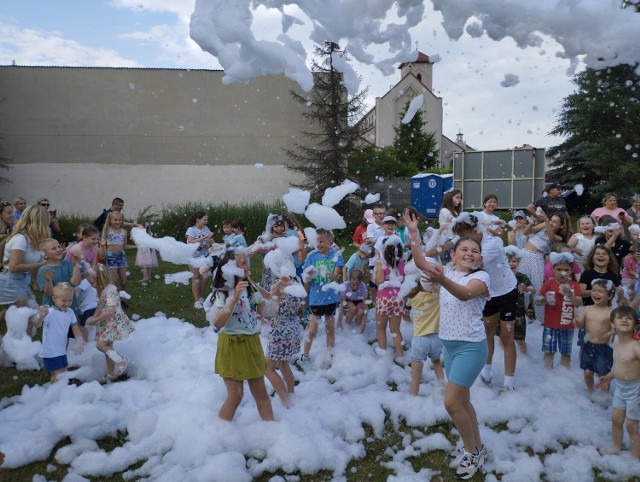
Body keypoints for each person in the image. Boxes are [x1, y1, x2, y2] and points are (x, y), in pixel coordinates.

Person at [405, 209, 489, 480]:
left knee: (452, 404)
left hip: (471, 348)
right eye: (463, 248)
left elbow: (465, 295)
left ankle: (471, 452)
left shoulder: (481, 279)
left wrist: (442, 279)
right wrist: (414, 232)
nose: (469, 253)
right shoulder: (448, 272)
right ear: (453, 255)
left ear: (480, 259)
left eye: (474, 250)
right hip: (449, 347)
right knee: (464, 402)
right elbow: (420, 261)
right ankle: (477, 447)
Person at [209, 250, 274, 421]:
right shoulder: (222, 293)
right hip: (232, 344)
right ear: (230, 269)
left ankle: (273, 432)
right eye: (242, 262)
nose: (247, 265)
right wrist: (235, 296)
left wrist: (278, 292)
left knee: (261, 393)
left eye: (247, 262)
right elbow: (217, 323)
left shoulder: (250, 287)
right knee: (236, 395)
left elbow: (267, 312)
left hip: (252, 342)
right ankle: (218, 435)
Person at [597, 306, 640, 459]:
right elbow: (620, 366)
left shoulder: (636, 347)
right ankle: (616, 446)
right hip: (621, 389)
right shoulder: (616, 343)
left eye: (629, 318)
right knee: (616, 420)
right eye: (620, 317)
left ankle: (636, 456)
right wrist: (609, 377)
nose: (624, 320)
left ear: (635, 326)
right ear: (613, 324)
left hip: (636, 390)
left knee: (631, 425)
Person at [300, 229, 344, 363]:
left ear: (330, 240)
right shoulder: (311, 256)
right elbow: (306, 280)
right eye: (316, 241)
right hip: (315, 298)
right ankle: (305, 356)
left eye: (321, 241)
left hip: (330, 297)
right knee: (312, 329)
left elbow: (336, 277)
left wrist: (325, 273)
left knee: (329, 329)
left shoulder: (336, 255)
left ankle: (331, 357)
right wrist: (304, 298)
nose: (318, 244)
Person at [0, 205, 49, 324]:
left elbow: (37, 258)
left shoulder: (32, 239)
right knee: (26, 320)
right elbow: (13, 267)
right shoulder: (21, 239)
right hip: (11, 282)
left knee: (15, 314)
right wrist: (41, 264)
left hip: (22, 282)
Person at [517, 212, 567, 324]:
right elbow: (526, 232)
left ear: (562, 226)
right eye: (551, 220)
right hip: (525, 254)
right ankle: (519, 316)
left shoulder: (558, 237)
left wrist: (545, 219)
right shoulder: (544, 225)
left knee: (538, 288)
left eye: (555, 222)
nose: (551, 223)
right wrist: (532, 223)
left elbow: (551, 236)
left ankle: (542, 319)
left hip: (537, 258)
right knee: (521, 285)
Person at [86, 264, 134, 381]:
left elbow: (110, 311)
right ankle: (110, 372)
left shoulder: (110, 291)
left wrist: (96, 320)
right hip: (106, 322)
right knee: (108, 347)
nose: (92, 286)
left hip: (113, 322)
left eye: (93, 283)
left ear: (100, 280)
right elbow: (100, 306)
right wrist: (94, 317)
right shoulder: (102, 291)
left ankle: (121, 360)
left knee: (100, 345)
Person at [31, 283, 84, 383]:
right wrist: (41, 316)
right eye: (63, 300)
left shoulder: (70, 312)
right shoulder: (50, 312)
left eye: (70, 300)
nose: (67, 303)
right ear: (54, 299)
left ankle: (57, 388)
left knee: (63, 370)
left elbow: (75, 326)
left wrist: (79, 340)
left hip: (62, 349)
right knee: (59, 374)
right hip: (51, 350)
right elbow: (37, 325)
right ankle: (58, 390)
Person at [537, 252, 582, 369]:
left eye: (566, 270)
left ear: (571, 270)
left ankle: (564, 377)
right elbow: (537, 300)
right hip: (550, 325)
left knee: (566, 354)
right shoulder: (548, 283)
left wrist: (570, 295)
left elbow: (579, 303)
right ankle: (547, 376)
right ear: (553, 269)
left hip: (567, 326)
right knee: (548, 352)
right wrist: (545, 300)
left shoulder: (574, 286)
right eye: (559, 269)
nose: (562, 273)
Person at [265, 275, 304, 408]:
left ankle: (285, 400)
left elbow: (269, 301)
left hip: (280, 333)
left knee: (268, 368)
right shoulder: (296, 287)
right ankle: (291, 393)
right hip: (292, 330)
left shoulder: (282, 290)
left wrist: (276, 288)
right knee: (283, 364)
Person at [573, 279, 614, 392]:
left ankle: (604, 397)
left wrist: (611, 333)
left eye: (600, 291)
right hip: (588, 345)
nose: (596, 293)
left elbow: (614, 327)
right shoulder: (587, 309)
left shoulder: (610, 312)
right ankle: (590, 392)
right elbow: (581, 324)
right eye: (594, 290)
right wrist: (577, 322)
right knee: (587, 373)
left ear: (609, 296)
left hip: (603, 348)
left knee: (603, 375)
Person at [407, 276, 445, 397]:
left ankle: (413, 398)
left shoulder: (413, 298)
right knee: (436, 361)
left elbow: (406, 304)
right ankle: (442, 385)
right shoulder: (437, 296)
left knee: (416, 375)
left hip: (420, 339)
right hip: (436, 338)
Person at [36, 239, 82, 334]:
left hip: (71, 305)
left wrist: (76, 266)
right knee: (55, 333)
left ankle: (71, 347)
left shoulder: (67, 264)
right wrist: (49, 281)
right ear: (45, 255)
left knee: (73, 331)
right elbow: (48, 293)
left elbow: (75, 283)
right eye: (53, 248)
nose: (58, 249)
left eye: (59, 247)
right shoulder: (43, 270)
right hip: (53, 309)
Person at [374, 232, 406, 362]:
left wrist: (378, 268)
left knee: (381, 327)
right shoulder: (401, 263)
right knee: (395, 329)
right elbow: (404, 279)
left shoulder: (382, 263)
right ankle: (400, 357)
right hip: (398, 298)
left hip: (384, 298)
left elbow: (380, 281)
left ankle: (383, 355)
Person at [503, 246, 536, 354]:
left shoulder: (521, 277)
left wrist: (526, 289)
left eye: (514, 261)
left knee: (520, 340)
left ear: (518, 262)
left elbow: (533, 290)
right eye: (508, 261)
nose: (511, 263)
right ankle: (502, 358)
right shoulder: (500, 276)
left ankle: (525, 358)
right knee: (502, 338)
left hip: (518, 313)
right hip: (502, 312)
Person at [185, 211, 213, 309]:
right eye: (204, 219)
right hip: (193, 257)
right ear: (198, 219)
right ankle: (196, 301)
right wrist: (205, 237)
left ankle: (201, 296)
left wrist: (208, 244)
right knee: (196, 278)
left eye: (207, 220)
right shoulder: (191, 230)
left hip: (204, 256)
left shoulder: (206, 229)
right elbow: (191, 242)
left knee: (206, 276)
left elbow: (210, 242)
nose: (206, 221)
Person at [100, 211, 135, 292]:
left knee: (123, 281)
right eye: (115, 220)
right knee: (114, 283)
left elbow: (125, 246)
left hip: (121, 257)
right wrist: (102, 245)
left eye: (120, 220)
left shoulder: (124, 232)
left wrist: (137, 246)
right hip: (111, 257)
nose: (117, 222)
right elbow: (102, 243)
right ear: (110, 220)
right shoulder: (107, 231)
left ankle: (122, 297)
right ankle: (115, 300)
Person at [438, 189, 463, 262]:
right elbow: (455, 221)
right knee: (452, 263)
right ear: (450, 198)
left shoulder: (454, 211)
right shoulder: (444, 211)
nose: (460, 200)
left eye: (460, 198)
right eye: (457, 197)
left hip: (455, 240)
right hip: (449, 240)